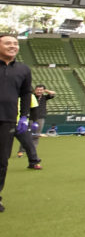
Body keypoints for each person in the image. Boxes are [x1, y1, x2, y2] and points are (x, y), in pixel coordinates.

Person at [1, 32, 40, 211]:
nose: (13, 46)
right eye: (8, 43)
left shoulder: (23, 70)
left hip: (7, 119)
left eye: (15, 43)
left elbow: (25, 93)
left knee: (2, 160)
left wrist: (24, 116)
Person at [30, 84, 55, 149]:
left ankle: (33, 149)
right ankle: (22, 150)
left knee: (37, 134)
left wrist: (45, 90)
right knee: (28, 133)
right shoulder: (31, 96)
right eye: (37, 90)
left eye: (41, 90)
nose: (39, 91)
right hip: (31, 118)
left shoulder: (44, 97)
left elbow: (53, 93)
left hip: (41, 118)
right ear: (35, 90)